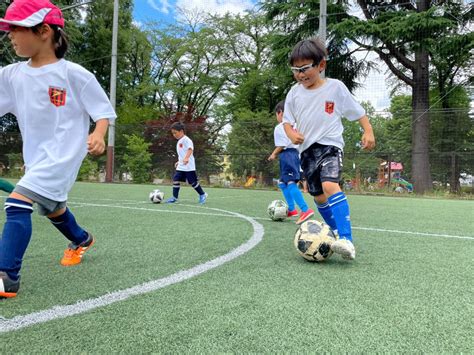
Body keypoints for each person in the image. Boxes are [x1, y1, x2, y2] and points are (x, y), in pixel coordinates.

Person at [0, 0, 116, 298]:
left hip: (65, 154)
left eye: (15, 28)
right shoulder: (11, 75)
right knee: (51, 207)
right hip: (36, 158)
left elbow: (102, 111)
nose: (9, 35)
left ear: (44, 31)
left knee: (17, 204)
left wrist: (99, 133)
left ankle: (7, 276)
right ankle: (81, 239)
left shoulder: (74, 74)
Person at [283, 38, 375, 260]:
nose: (300, 74)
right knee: (319, 197)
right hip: (306, 152)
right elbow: (286, 121)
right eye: (295, 70)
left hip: (330, 146)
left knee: (330, 184)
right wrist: (291, 133)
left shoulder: (336, 87)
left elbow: (358, 112)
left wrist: (368, 131)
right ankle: (334, 232)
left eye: (305, 68)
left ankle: (347, 239)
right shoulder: (294, 93)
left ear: (321, 65)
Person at [268, 100, 314, 224]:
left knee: (290, 182)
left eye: (276, 114)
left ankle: (305, 209)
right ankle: (292, 209)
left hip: (288, 155)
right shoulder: (297, 124)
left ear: (280, 113)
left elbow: (282, 145)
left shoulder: (280, 127)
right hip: (295, 155)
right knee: (283, 183)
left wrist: (273, 154)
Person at [166, 122, 208, 204]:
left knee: (192, 182)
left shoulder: (186, 140)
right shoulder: (179, 141)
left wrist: (186, 158)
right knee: (176, 179)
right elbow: (182, 153)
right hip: (181, 166)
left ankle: (202, 194)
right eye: (173, 133)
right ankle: (175, 197)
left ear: (181, 131)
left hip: (189, 166)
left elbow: (190, 149)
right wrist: (179, 161)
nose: (174, 135)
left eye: (175, 133)